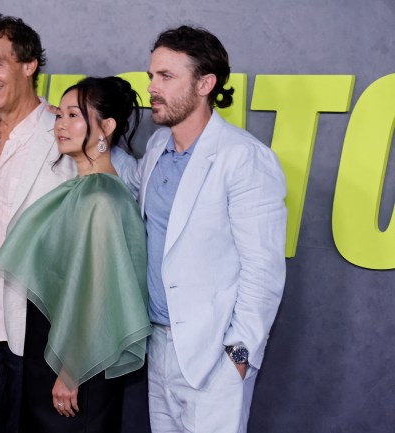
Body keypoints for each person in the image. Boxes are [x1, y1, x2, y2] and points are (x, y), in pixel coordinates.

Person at [0, 15, 133, 433]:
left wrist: (72, 358)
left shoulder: (65, 137)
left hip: (34, 338)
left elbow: (92, 256)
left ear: (29, 65)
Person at [129, 25, 288, 433]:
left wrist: (238, 357)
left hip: (214, 356)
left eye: (166, 76)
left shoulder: (244, 157)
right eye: (151, 76)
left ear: (205, 83)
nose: (152, 88)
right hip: (159, 345)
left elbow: (263, 268)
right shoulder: (156, 148)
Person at [0, 76, 151, 433]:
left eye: (74, 115)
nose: (60, 125)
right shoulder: (82, 189)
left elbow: (98, 294)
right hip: (55, 357)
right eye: (59, 115)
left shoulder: (101, 198)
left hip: (76, 369)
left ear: (106, 127)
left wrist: (71, 371)